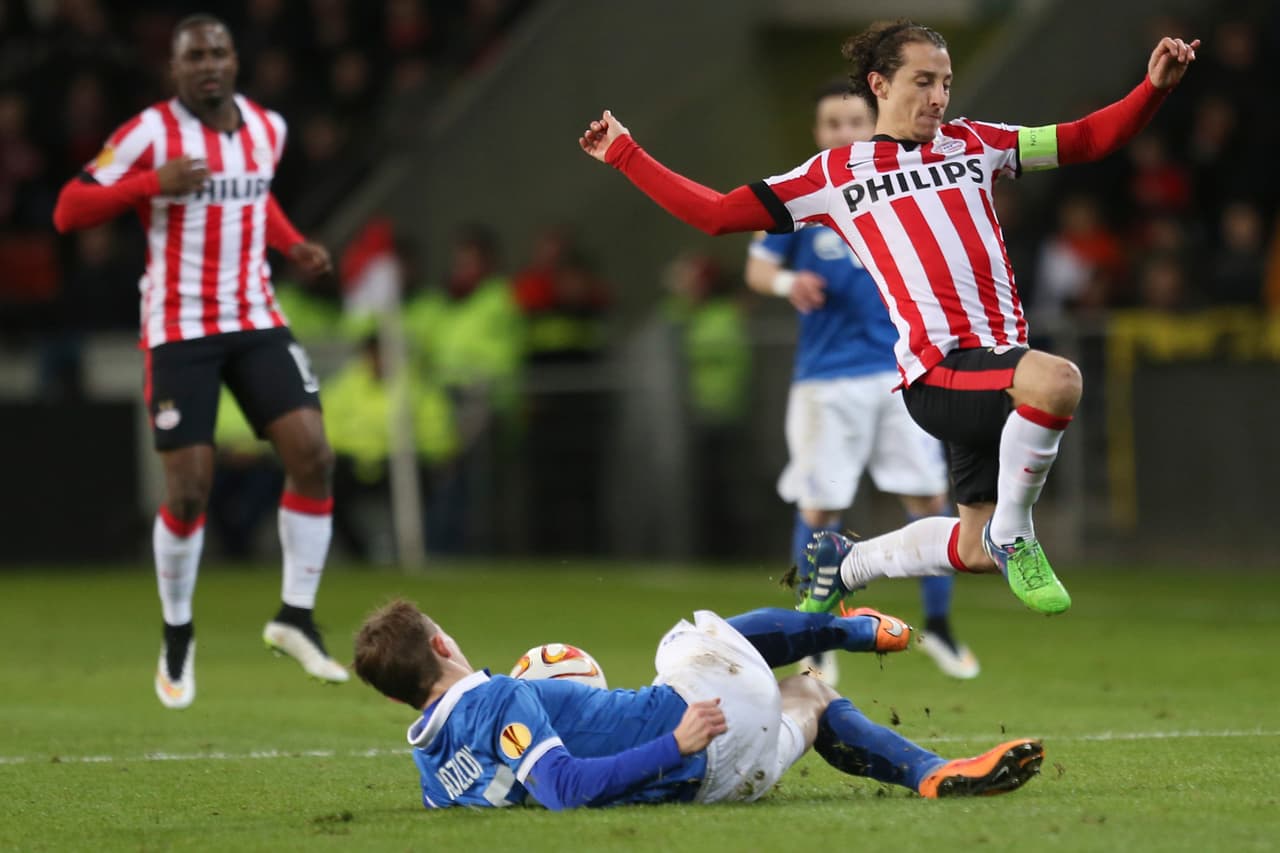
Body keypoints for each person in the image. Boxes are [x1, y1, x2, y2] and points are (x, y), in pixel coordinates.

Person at [580, 21, 1199, 616]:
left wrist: (1154, 89)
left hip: (999, 369)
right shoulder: (831, 175)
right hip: (939, 372)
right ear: (879, 84)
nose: (939, 97)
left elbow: (1088, 138)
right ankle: (1018, 533)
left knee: (972, 548)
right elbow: (716, 213)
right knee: (1059, 381)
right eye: (923, 81)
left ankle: (845, 564)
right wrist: (626, 153)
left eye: (947, 82)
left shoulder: (978, 143)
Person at [51, 13, 348, 709]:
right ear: (175, 69)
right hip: (179, 326)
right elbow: (69, 209)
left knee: (314, 453)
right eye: (194, 57)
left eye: (218, 52)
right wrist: (151, 183)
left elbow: (254, 198)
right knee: (188, 489)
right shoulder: (150, 133)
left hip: (255, 316)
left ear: (235, 61)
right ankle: (178, 630)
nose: (208, 65)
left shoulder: (266, 128)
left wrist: (293, 243)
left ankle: (295, 617)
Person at [352, 599, 1043, 809]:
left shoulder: (432, 777)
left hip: (718, 785)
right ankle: (849, 624)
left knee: (811, 694)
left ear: (392, 694)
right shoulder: (498, 694)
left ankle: (929, 771)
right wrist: (673, 741)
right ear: (443, 641)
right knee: (691, 636)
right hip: (698, 736)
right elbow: (562, 787)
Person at [745, 81, 974, 680]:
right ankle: (814, 634)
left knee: (926, 498)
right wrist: (783, 284)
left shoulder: (896, 186)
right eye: (832, 123)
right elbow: (756, 266)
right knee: (821, 507)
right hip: (826, 384)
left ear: (871, 125)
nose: (844, 132)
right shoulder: (804, 196)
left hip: (900, 372)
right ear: (818, 133)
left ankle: (941, 627)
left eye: (854, 121)